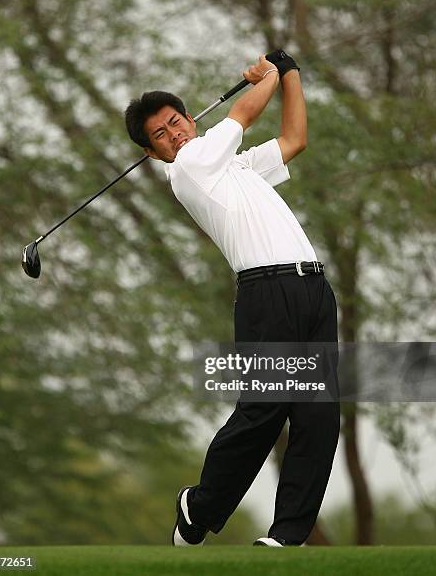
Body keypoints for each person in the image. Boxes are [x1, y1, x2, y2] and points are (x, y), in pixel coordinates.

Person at [125, 53, 340, 547]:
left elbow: (294, 140)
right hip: (267, 293)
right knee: (265, 408)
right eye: (161, 134)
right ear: (156, 153)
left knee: (318, 414)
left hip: (312, 289)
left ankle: (288, 535)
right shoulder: (190, 168)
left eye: (176, 121)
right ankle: (198, 509)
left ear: (189, 117)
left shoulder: (234, 166)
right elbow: (243, 114)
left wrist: (291, 76)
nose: (174, 134)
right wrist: (265, 76)